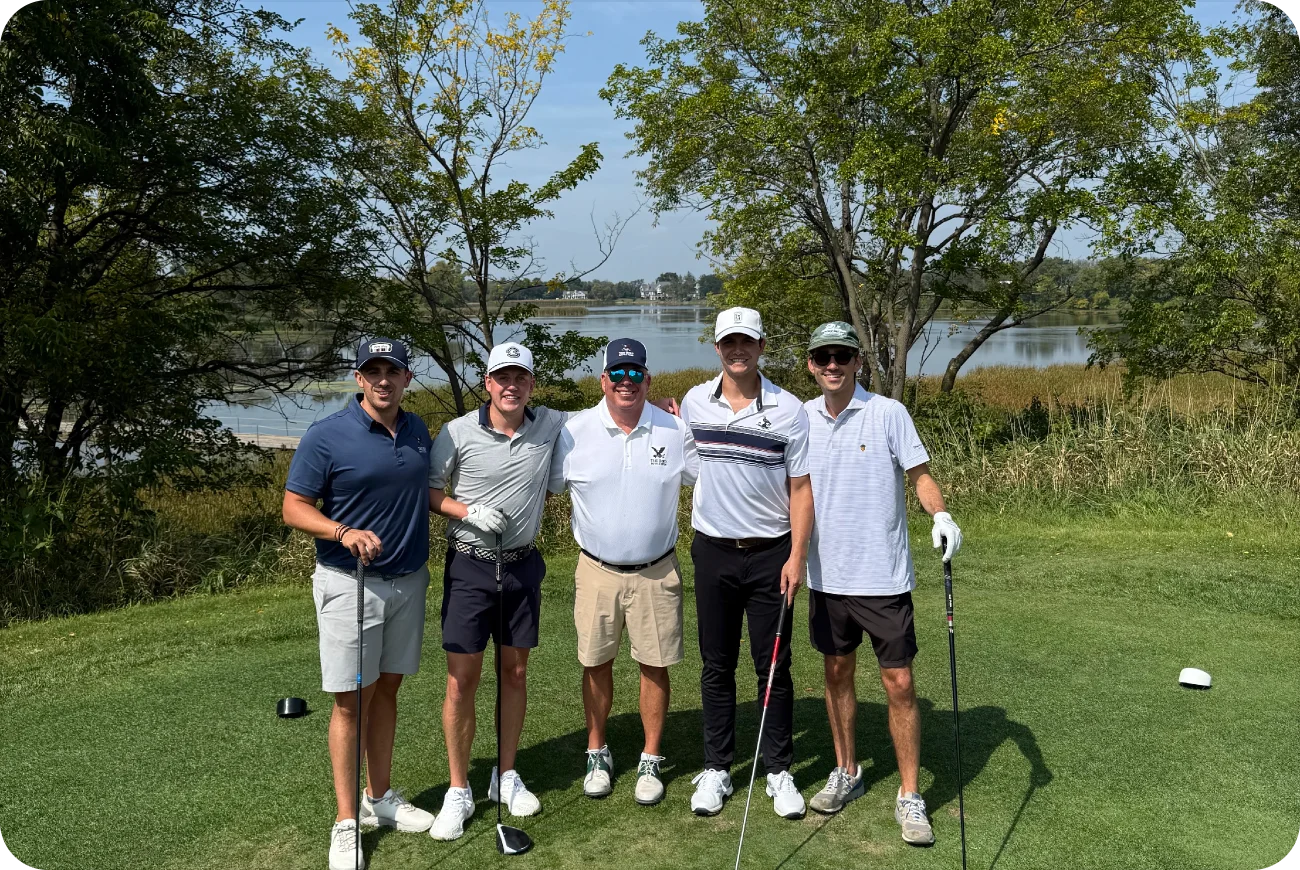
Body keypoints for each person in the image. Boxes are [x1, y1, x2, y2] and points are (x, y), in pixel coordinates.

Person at [800, 321, 962, 846]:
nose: (832, 364)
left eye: (841, 356)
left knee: (900, 684)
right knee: (837, 673)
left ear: (857, 363)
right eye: (822, 356)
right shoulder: (799, 418)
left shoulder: (888, 413)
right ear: (810, 363)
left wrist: (940, 514)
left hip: (883, 577)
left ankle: (909, 795)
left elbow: (919, 475)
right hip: (826, 577)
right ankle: (847, 770)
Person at [282, 338, 436, 870]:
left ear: (407, 378)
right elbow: (294, 507)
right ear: (358, 378)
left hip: (408, 580)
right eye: (373, 371)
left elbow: (425, 494)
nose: (383, 380)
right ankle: (346, 821)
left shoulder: (417, 430)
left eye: (392, 371)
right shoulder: (327, 435)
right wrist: (342, 530)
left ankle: (380, 799)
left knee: (388, 687)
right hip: (350, 582)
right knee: (351, 698)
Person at [548, 338, 698, 806]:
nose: (626, 382)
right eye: (618, 374)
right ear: (604, 380)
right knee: (595, 663)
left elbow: (707, 476)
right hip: (596, 570)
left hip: (657, 569)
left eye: (636, 375)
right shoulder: (573, 432)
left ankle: (651, 757)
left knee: (654, 665)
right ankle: (598, 751)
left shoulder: (674, 429)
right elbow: (547, 486)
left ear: (648, 380)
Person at [424, 341, 563, 841]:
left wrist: (663, 410)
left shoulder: (549, 424)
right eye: (502, 378)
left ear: (530, 384)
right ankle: (458, 789)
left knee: (516, 670)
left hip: (522, 567)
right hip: (470, 566)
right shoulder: (457, 432)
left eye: (520, 378)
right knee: (462, 679)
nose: (511, 386)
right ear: (487, 384)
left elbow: (609, 410)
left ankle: (505, 774)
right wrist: (466, 512)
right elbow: (430, 491)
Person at [680, 307, 814, 820]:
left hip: (771, 554)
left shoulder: (789, 409)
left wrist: (797, 556)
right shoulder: (695, 402)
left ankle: (778, 769)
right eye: (729, 342)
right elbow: (693, 463)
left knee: (773, 665)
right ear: (717, 348)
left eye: (747, 342)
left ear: (762, 346)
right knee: (716, 665)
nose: (738, 350)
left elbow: (801, 489)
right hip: (713, 550)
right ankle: (718, 767)